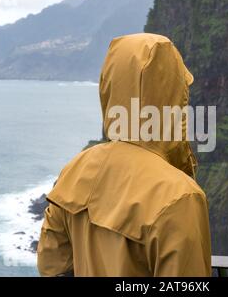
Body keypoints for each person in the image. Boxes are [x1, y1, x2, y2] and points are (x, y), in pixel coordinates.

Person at [37, 33, 212, 277]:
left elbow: (51, 267)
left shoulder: (74, 172)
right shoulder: (180, 196)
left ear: (109, 86)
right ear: (175, 93)